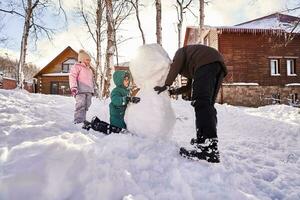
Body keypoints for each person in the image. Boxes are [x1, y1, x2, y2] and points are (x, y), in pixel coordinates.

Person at [154, 44, 227, 163]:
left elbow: (175, 67)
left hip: (207, 64)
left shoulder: (179, 54)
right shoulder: (192, 64)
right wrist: (172, 91)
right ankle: (205, 141)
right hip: (217, 66)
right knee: (207, 105)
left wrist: (166, 84)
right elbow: (188, 87)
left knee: (201, 103)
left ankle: (208, 149)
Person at [69, 49, 94, 126]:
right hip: (80, 90)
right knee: (80, 105)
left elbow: (91, 80)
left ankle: (83, 119)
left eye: (90, 60)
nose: (89, 61)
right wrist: (73, 87)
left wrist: (92, 90)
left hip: (88, 90)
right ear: (82, 60)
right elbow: (72, 76)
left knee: (87, 105)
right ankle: (78, 121)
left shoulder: (90, 70)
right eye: (87, 60)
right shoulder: (77, 67)